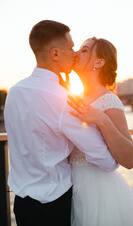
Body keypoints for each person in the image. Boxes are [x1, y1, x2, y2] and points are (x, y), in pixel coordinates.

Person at [4, 20, 119, 226]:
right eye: (71, 47)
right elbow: (106, 160)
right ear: (55, 54)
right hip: (53, 205)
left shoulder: (14, 92)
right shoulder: (63, 99)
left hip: (21, 203)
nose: (74, 53)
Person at [68, 37, 133, 225]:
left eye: (84, 50)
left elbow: (130, 159)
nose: (76, 53)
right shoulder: (77, 97)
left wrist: (102, 120)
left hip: (98, 193)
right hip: (71, 188)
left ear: (99, 62)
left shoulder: (109, 101)